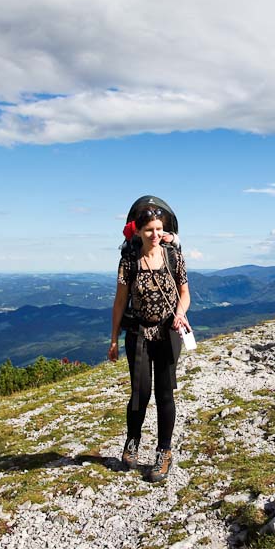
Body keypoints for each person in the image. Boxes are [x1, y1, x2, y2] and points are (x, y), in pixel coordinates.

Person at [108, 205, 191, 482]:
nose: (155, 234)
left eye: (159, 229)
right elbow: (120, 301)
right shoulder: (129, 261)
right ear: (139, 232)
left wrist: (180, 314)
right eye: (149, 230)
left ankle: (164, 452)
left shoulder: (173, 255)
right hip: (138, 333)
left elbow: (184, 293)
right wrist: (113, 339)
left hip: (168, 332)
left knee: (165, 394)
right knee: (140, 393)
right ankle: (132, 441)